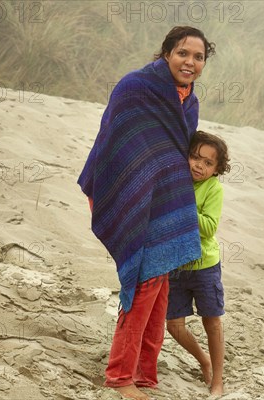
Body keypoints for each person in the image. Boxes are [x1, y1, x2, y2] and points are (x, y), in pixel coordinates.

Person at [77, 27, 215, 400]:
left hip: (164, 197)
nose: (190, 62)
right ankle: (121, 376)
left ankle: (145, 372)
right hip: (125, 190)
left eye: (198, 57)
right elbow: (117, 143)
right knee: (143, 279)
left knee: (160, 280)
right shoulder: (135, 87)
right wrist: (138, 183)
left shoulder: (190, 101)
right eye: (183, 53)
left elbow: (176, 151)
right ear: (167, 53)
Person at [166, 130, 231, 396]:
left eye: (208, 163)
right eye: (195, 157)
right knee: (174, 325)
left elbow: (208, 227)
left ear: (217, 169)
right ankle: (202, 360)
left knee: (211, 322)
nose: (199, 165)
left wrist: (184, 203)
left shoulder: (214, 188)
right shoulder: (175, 180)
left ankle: (218, 379)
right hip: (176, 266)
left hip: (205, 265)